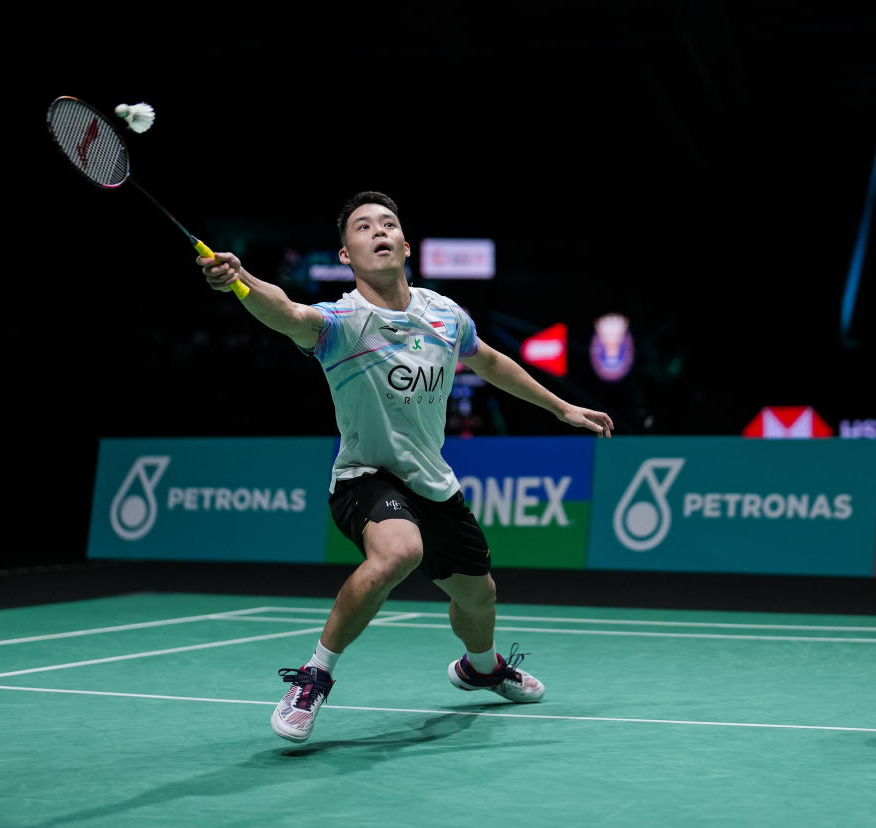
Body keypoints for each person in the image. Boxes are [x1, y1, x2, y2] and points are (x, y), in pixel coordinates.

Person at [199, 191, 615, 743]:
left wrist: (562, 407)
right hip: (364, 476)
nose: (378, 231)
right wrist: (241, 280)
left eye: (388, 223)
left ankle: (481, 668)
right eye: (363, 226)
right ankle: (314, 675)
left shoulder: (444, 314)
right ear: (345, 254)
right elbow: (286, 311)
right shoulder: (340, 324)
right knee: (400, 551)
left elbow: (488, 361)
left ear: (405, 244)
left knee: (480, 595)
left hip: (431, 480)